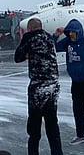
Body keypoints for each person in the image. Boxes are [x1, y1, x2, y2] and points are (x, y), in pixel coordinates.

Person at [14, 18, 63, 155]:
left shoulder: (29, 37)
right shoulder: (48, 37)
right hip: (53, 84)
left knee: (34, 127)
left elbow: (17, 57)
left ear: (29, 28)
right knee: (52, 123)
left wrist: (24, 44)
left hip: (38, 86)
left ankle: (33, 152)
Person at [53, 19, 84, 149]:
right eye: (69, 32)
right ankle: (80, 135)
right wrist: (56, 35)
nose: (71, 34)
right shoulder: (67, 43)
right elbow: (53, 47)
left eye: (73, 32)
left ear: (79, 32)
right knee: (77, 110)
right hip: (76, 82)